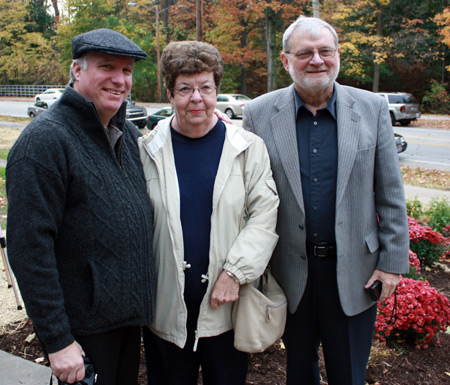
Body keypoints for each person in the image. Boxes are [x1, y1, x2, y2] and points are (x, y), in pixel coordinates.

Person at [242, 16, 410, 385]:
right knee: (298, 375)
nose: (316, 60)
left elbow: (391, 192)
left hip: (356, 273)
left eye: (325, 51)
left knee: (349, 375)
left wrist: (392, 263)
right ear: (286, 61)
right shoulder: (257, 113)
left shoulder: (371, 108)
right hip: (289, 272)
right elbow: (249, 194)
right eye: (304, 53)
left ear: (338, 56)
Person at [6, 28, 155, 385]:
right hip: (83, 334)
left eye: (127, 71)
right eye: (107, 67)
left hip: (126, 322)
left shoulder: (128, 136)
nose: (120, 80)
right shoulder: (44, 142)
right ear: (77, 70)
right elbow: (29, 248)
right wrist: (58, 341)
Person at [138, 40, 279, 385]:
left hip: (225, 310)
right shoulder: (146, 151)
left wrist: (235, 273)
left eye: (206, 87)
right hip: (166, 312)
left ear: (217, 91)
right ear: (170, 94)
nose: (196, 98)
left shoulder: (247, 149)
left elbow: (264, 214)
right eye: (185, 89)